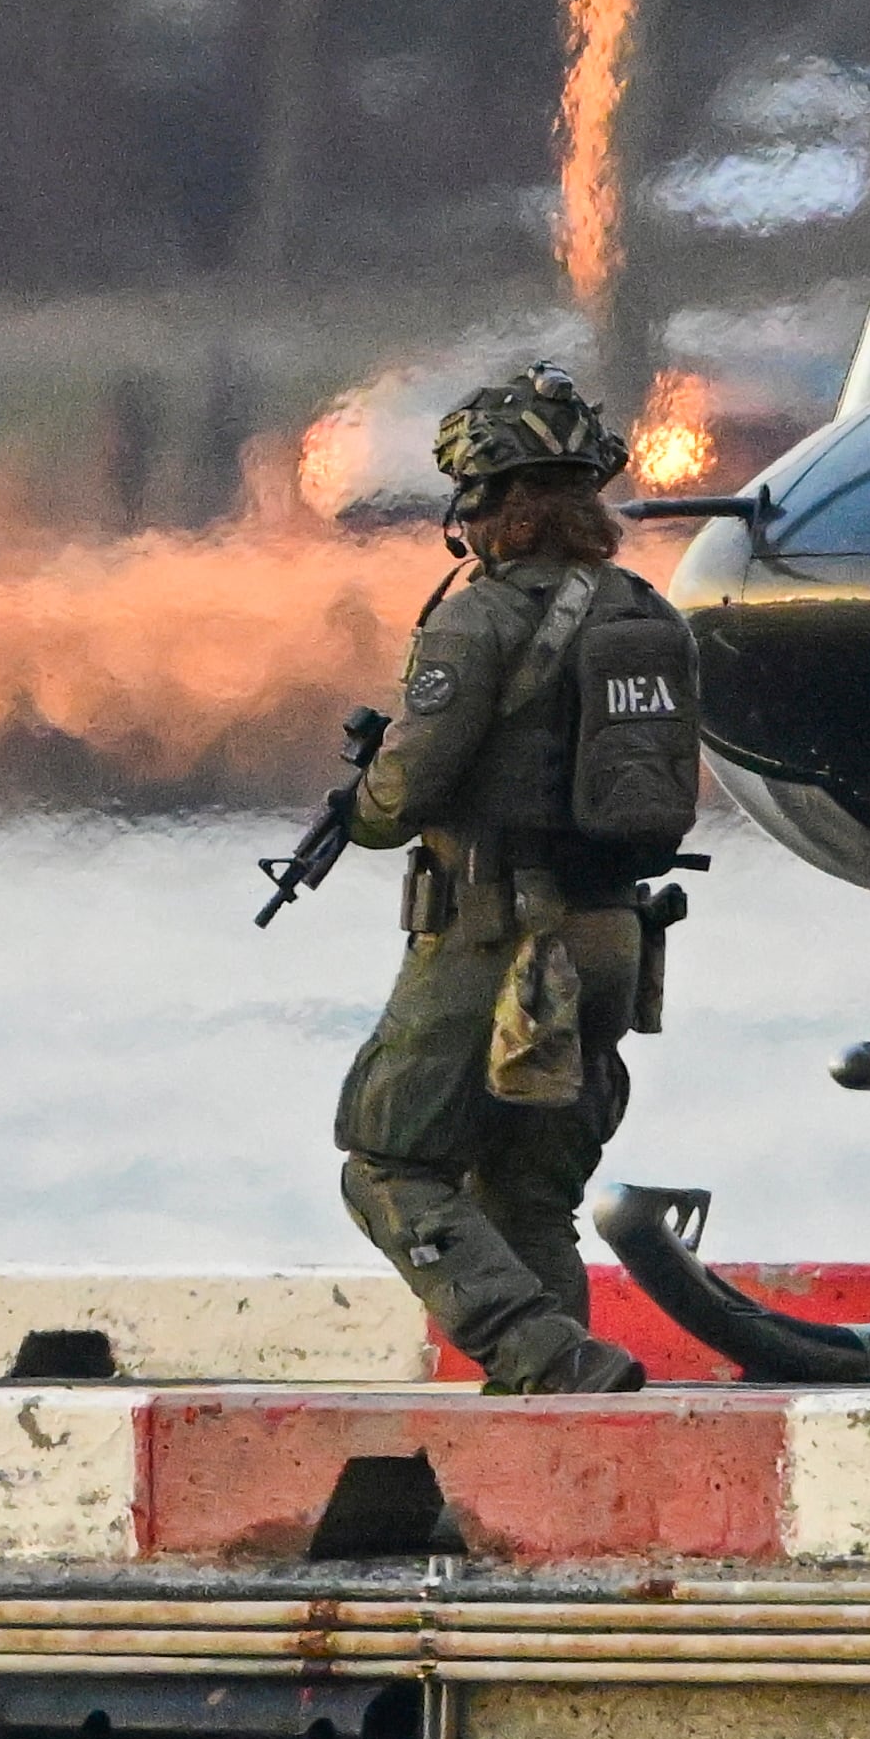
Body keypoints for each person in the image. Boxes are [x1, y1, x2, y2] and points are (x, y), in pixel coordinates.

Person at [337, 363, 694, 1396]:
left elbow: (401, 792)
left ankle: (542, 1357)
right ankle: (562, 1411)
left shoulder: (479, 618)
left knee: (388, 1161)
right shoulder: (645, 612)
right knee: (531, 1196)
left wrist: (355, 808)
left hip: (494, 940)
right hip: (611, 939)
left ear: (496, 500)